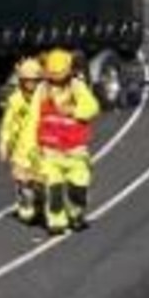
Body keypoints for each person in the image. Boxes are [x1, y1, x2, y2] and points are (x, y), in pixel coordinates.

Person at [37, 48, 100, 234]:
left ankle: (76, 213)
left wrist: (73, 111)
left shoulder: (77, 87)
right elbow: (33, 117)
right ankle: (56, 222)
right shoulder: (43, 90)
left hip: (75, 152)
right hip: (50, 152)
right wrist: (30, 146)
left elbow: (92, 107)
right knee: (53, 190)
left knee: (78, 188)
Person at [0, 57, 46, 224]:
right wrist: (4, 143)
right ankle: (25, 204)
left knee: (42, 182)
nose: (31, 85)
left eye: (35, 81)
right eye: (27, 81)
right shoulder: (15, 100)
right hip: (21, 150)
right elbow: (8, 124)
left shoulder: (44, 98)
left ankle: (40, 202)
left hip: (41, 149)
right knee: (24, 182)